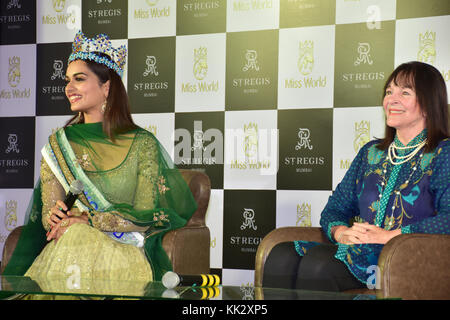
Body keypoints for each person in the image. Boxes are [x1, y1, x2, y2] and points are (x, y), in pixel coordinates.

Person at [2, 31, 197, 297]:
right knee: (75, 237)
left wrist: (88, 219)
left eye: (79, 79)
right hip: (68, 247)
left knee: (81, 236)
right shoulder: (58, 145)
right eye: (67, 80)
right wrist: (56, 217)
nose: (69, 87)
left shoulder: (142, 143)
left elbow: (144, 215)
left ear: (106, 88)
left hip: (121, 250)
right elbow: (49, 218)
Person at [263, 61, 450, 292]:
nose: (392, 99)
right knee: (281, 256)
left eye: (405, 92)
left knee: (318, 266)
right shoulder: (371, 153)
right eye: (389, 91)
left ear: (428, 104)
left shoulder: (443, 152)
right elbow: (334, 209)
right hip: (358, 250)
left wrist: (390, 236)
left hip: (407, 259)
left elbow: (448, 218)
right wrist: (341, 232)